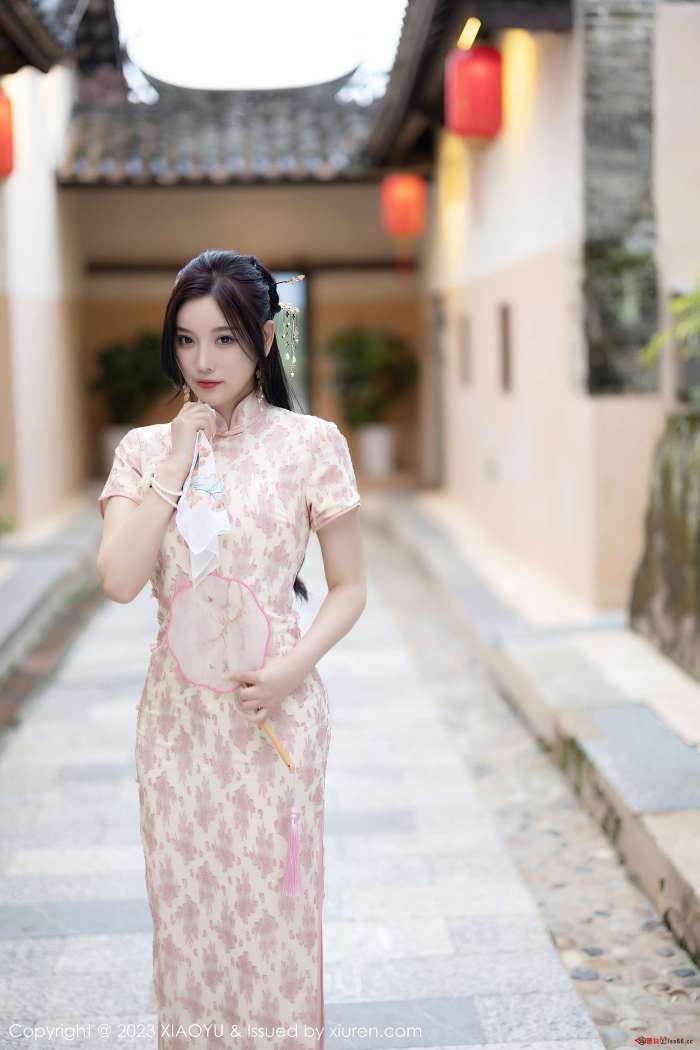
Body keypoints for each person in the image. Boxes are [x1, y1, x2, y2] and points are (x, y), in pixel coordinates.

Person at [96, 250, 366, 1050]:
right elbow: (118, 580)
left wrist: (291, 669)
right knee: (189, 937)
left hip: (273, 726)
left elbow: (350, 587)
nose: (204, 361)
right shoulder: (143, 451)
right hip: (177, 733)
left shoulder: (311, 445)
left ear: (265, 340)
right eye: (186, 340)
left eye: (224, 338)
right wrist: (178, 461)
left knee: (277, 931)